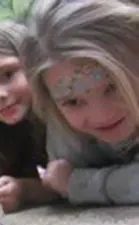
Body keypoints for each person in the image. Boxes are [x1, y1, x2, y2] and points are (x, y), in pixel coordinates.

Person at [21, 0, 139, 205]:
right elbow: (57, 180)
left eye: (113, 87)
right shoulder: (62, 125)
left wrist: (78, 184)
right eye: (72, 101)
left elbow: (66, 181)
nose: (101, 115)